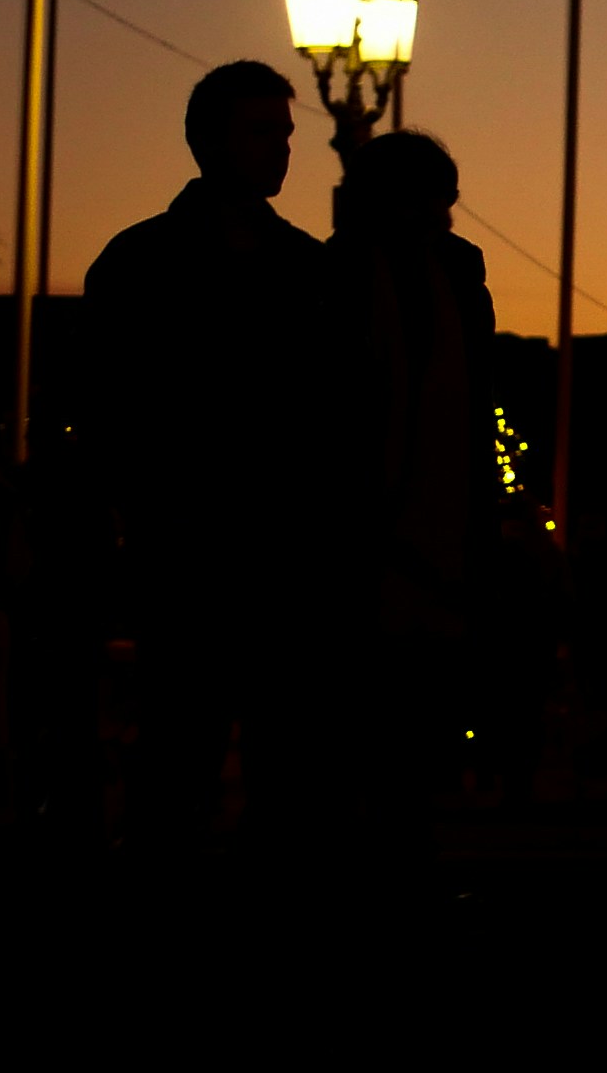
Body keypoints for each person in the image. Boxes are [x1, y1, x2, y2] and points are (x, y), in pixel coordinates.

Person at [79, 61, 321, 850]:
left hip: (271, 552)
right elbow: (108, 407)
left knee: (273, 766)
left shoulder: (305, 270)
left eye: (285, 134)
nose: (282, 151)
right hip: (191, 551)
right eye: (263, 133)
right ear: (206, 141)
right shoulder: (143, 265)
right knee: (186, 752)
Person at [315, 128, 521, 849]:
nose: (442, 216)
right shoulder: (334, 279)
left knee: (409, 735)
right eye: (429, 201)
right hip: (368, 542)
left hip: (435, 538)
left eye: (446, 201)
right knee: (366, 732)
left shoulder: (457, 276)